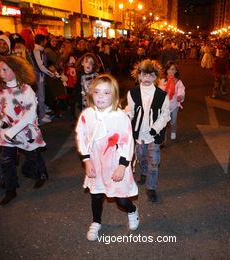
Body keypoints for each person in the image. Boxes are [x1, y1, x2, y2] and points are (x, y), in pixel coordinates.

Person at [75, 74, 139, 241]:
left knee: (121, 200)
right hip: (96, 162)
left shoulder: (120, 117)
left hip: (116, 164)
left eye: (106, 93)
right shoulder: (87, 115)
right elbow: (81, 137)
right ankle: (96, 222)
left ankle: (132, 210)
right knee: (96, 194)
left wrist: (122, 165)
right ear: (91, 94)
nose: (101, 96)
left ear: (114, 95)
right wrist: (86, 161)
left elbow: (127, 142)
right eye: (97, 92)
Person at [0, 55, 48, 206]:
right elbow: (2, 112)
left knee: (33, 156)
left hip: (26, 132)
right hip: (7, 134)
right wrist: (2, 130)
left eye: (5, 69)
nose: (1, 73)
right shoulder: (1, 89)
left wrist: (13, 131)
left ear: (16, 69)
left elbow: (30, 113)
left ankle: (41, 174)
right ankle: (10, 189)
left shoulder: (26, 89)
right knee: (6, 162)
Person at [126, 59, 170, 203]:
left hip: (153, 135)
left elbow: (165, 115)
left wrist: (155, 129)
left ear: (156, 77)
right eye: (144, 75)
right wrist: (124, 116)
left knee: (154, 161)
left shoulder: (161, 95)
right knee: (141, 156)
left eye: (151, 75)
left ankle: (151, 188)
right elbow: (130, 110)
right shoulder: (132, 92)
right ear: (138, 75)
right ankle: (144, 173)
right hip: (138, 134)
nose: (147, 79)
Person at [32, 34, 56, 124]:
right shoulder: (37, 50)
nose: (46, 42)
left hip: (40, 77)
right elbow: (40, 66)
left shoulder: (40, 50)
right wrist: (51, 73)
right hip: (38, 77)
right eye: (45, 40)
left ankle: (42, 114)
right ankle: (41, 117)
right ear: (42, 41)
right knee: (40, 97)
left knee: (41, 97)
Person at [159, 60, 185, 140]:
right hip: (164, 105)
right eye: (169, 69)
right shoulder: (162, 81)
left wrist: (180, 95)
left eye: (173, 69)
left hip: (174, 105)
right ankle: (164, 135)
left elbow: (181, 89)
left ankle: (173, 131)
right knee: (164, 121)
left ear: (176, 71)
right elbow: (159, 91)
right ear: (166, 70)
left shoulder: (178, 82)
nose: (171, 71)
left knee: (173, 120)